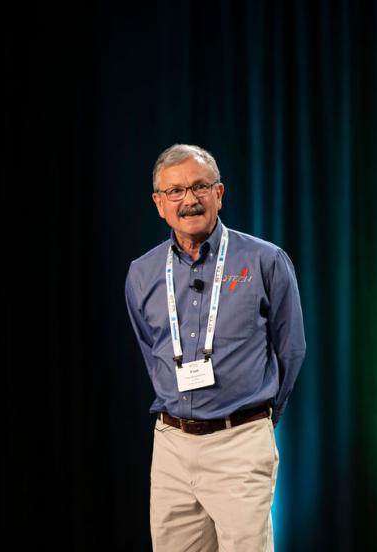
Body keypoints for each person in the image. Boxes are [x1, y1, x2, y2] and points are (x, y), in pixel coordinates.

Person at [124, 144, 306, 551]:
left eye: (200, 187)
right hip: (171, 444)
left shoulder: (265, 260)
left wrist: (258, 419)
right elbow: (151, 351)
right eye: (175, 191)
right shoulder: (142, 273)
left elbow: (291, 350)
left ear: (219, 194)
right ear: (159, 203)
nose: (189, 199)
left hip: (238, 439)